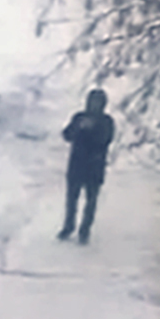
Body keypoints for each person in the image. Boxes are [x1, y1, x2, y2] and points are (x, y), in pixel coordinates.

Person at [59, 87, 115, 244]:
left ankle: (85, 230)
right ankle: (68, 227)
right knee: (71, 200)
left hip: (95, 167)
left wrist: (93, 129)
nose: (95, 105)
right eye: (92, 102)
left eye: (98, 102)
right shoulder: (79, 117)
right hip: (76, 165)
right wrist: (79, 128)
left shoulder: (107, 121)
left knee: (91, 202)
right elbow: (66, 135)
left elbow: (106, 140)